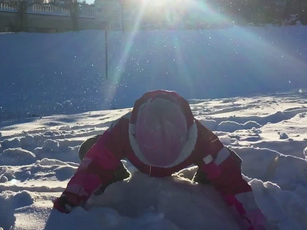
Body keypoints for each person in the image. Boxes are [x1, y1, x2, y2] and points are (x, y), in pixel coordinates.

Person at [53, 90, 266, 230]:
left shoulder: (201, 137)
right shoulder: (122, 130)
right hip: (133, 159)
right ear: (135, 135)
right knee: (92, 149)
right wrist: (71, 198)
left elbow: (232, 180)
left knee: (223, 164)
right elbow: (95, 163)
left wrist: (254, 223)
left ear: (186, 137)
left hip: (190, 158)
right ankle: (115, 178)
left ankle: (204, 186)